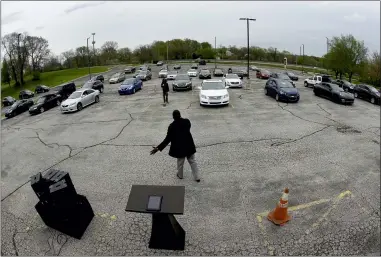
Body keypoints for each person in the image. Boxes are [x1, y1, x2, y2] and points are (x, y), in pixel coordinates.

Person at [150, 110, 200, 182]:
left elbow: (167, 140)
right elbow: (188, 128)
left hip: (180, 149)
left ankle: (180, 175)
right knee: (192, 161)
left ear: (173, 117)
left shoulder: (172, 126)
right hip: (189, 146)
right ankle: (197, 177)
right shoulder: (187, 122)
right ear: (180, 115)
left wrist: (158, 148)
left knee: (180, 163)